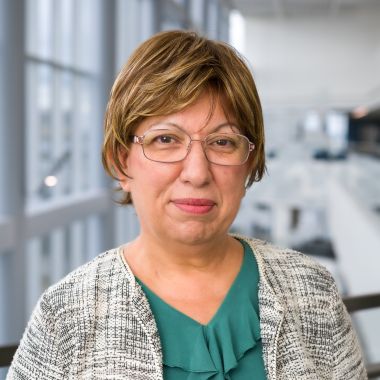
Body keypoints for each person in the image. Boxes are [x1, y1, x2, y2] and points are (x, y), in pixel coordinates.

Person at [7, 30, 366, 380]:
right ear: (122, 163)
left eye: (223, 142)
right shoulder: (67, 313)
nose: (197, 173)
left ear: (250, 163)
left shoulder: (313, 291)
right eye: (165, 139)